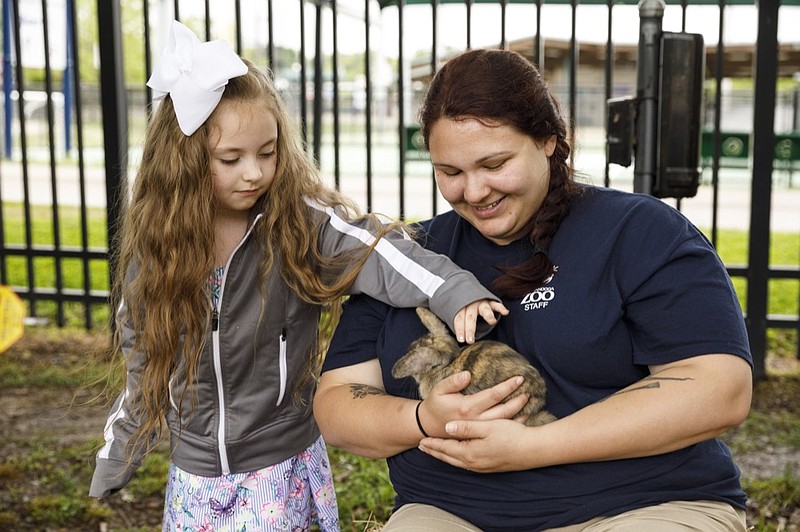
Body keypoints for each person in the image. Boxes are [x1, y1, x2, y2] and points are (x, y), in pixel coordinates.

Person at [313, 48, 753, 531]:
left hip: (642, 505)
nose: (475, 191)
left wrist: (535, 447)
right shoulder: (405, 258)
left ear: (547, 140)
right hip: (451, 513)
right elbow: (336, 404)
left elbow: (719, 389)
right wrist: (423, 420)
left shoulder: (640, 232)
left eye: (495, 163)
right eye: (451, 172)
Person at [88, 23, 507, 531]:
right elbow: (143, 359)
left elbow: (378, 250)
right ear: (184, 162)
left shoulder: (297, 222)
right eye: (231, 158)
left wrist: (453, 291)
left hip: (278, 466)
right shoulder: (158, 253)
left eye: (267, 153)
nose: (254, 173)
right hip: (195, 475)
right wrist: (120, 448)